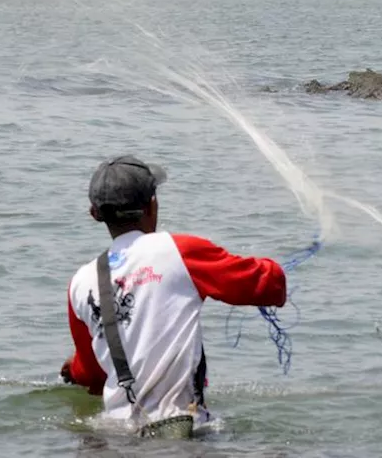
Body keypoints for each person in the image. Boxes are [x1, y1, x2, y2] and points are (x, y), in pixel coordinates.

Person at [60, 155, 288, 438]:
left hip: (116, 434)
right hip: (179, 433)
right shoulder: (180, 251)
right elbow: (270, 286)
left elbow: (93, 376)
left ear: (94, 213)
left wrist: (75, 368)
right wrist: (273, 268)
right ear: (152, 205)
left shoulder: (81, 282)